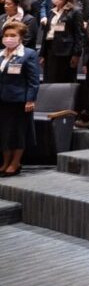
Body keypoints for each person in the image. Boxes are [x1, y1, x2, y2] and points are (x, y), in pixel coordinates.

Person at [0, 21, 39, 177]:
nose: (8, 38)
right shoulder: (1, 54)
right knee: (4, 133)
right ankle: (5, 162)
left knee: (18, 133)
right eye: (6, 35)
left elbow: (33, 80)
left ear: (21, 37)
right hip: (2, 100)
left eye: (12, 35)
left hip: (19, 101)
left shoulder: (28, 54)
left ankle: (15, 163)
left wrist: (30, 100)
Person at [39, 0, 82, 84]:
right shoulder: (52, 11)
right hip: (50, 50)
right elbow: (47, 34)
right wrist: (42, 54)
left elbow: (79, 35)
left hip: (66, 53)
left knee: (63, 81)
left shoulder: (75, 11)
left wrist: (76, 54)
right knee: (49, 80)